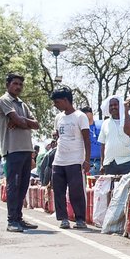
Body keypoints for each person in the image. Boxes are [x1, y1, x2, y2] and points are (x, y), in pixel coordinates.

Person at [0, 73, 39, 232]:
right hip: (13, 149)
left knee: (22, 186)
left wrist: (23, 122)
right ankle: (11, 221)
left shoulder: (22, 104)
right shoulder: (4, 100)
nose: (18, 87)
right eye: (15, 83)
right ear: (8, 85)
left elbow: (36, 124)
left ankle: (18, 218)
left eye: (20, 84)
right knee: (13, 185)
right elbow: (18, 120)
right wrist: (21, 121)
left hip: (26, 149)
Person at [50, 87, 91, 229]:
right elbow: (58, 134)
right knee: (58, 190)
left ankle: (80, 219)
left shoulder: (80, 116)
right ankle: (63, 219)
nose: (55, 105)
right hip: (59, 160)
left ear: (66, 100)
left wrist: (87, 160)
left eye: (57, 102)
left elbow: (87, 140)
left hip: (75, 160)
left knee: (76, 191)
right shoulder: (58, 117)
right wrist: (54, 138)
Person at [98, 95, 130, 175]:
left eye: (115, 105)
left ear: (120, 106)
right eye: (111, 105)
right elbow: (103, 145)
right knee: (110, 187)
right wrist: (102, 164)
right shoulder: (105, 123)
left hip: (127, 162)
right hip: (109, 163)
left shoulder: (128, 120)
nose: (113, 107)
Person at [81, 106, 102, 175]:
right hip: (88, 162)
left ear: (92, 114)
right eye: (84, 113)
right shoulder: (81, 128)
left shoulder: (101, 124)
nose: (86, 114)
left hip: (102, 161)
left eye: (88, 112)